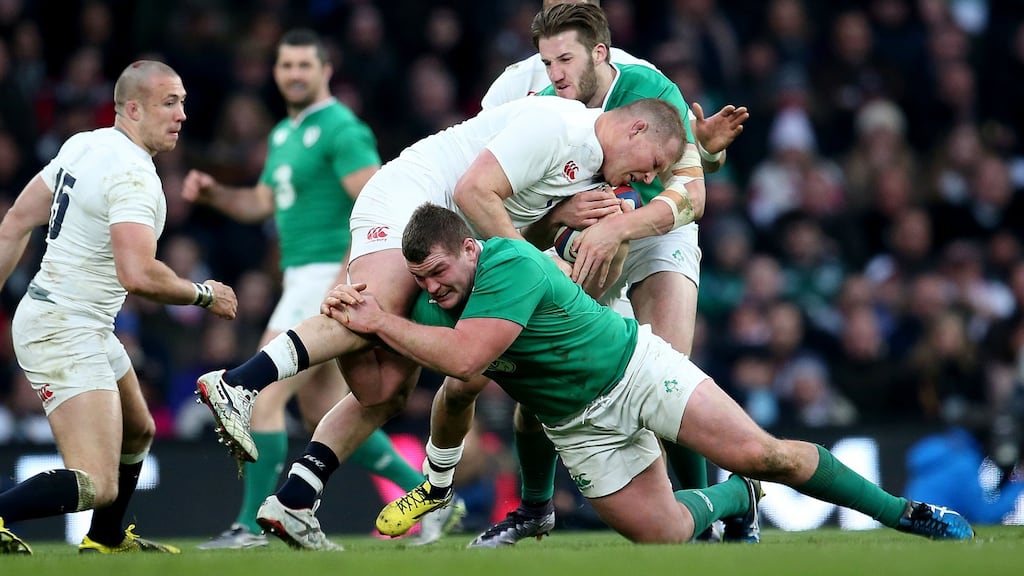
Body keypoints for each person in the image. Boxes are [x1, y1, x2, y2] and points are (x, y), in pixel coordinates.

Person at [197, 94, 687, 550]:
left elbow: (514, 229)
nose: (648, 177)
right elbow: (472, 191)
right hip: (412, 201)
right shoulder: (562, 125)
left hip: (448, 235)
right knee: (373, 314)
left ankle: (295, 501)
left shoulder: (587, 173)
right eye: (655, 163)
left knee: (384, 388)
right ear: (637, 128)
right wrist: (526, 271)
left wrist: (555, 219)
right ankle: (240, 383)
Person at [347, 203, 975, 545]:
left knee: (767, 454)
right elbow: (449, 378)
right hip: (579, 427)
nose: (432, 288)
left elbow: (461, 359)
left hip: (635, 370)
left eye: (439, 272)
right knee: (663, 533)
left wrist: (378, 319)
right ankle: (736, 499)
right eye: (422, 280)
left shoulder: (507, 260)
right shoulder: (436, 303)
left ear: (470, 248)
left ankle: (906, 514)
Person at [466, 1, 748, 546]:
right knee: (542, 370)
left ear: (597, 44)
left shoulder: (646, 83)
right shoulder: (523, 89)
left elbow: (692, 192)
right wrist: (561, 222)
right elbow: (504, 183)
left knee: (668, 371)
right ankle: (535, 509)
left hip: (653, 231)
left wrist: (700, 160)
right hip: (578, 236)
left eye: (565, 59)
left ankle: (710, 518)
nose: (555, 72)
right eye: (548, 60)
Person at [183, 28, 460, 549]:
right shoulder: (286, 135)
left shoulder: (340, 128)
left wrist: (348, 273)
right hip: (303, 275)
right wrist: (216, 194)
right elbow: (263, 203)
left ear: (325, 70)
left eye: (303, 66)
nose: (293, 75)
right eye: (285, 66)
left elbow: (379, 200)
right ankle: (434, 498)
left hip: (326, 277)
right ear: (276, 72)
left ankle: (248, 527)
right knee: (325, 414)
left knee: (262, 399)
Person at [0, 60, 237, 555]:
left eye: (183, 102)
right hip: (64, 327)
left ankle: (104, 539)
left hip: (74, 319)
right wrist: (204, 293)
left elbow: (16, 221)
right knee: (96, 483)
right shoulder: (132, 175)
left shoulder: (84, 145)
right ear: (132, 108)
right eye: (169, 102)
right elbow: (138, 274)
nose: (182, 114)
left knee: (140, 429)